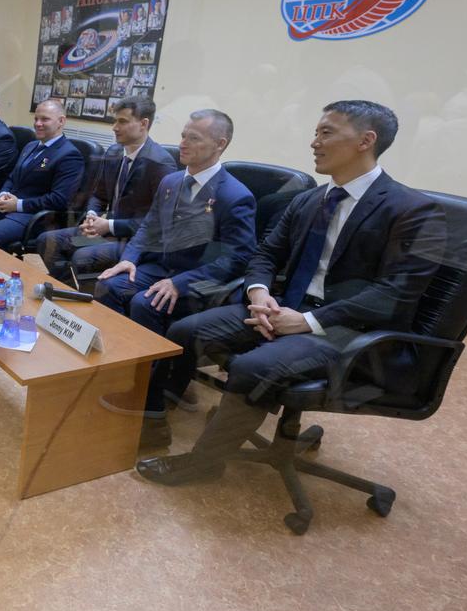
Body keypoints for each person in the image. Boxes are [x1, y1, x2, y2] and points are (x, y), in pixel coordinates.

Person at [136, 101, 445, 487]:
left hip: (349, 329)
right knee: (184, 330)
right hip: (284, 307)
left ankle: (205, 463)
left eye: (326, 133)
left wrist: (308, 321)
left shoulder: (413, 210)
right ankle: (156, 419)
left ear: (366, 141)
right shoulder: (309, 199)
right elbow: (266, 254)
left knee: (252, 367)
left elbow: (394, 294)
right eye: (316, 132)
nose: (314, 142)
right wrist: (259, 294)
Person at [93, 109, 256, 449]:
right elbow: (149, 227)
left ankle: (152, 408)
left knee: (146, 303)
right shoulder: (171, 182)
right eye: (183, 135)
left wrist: (180, 284)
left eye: (194, 138)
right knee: (108, 286)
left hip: (200, 281)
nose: (182, 143)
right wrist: (129, 259)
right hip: (160, 268)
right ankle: (124, 376)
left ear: (220, 144)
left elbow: (237, 258)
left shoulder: (235, 195)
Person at [37, 97, 176, 282]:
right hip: (110, 231)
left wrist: (108, 225)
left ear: (143, 124)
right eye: (115, 121)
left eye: (123, 121)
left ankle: (82, 290)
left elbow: (157, 222)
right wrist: (91, 215)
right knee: (47, 241)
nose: (114, 127)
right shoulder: (114, 152)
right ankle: (68, 288)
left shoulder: (160, 163)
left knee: (83, 257)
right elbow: (98, 195)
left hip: (136, 241)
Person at [0, 98, 84, 249]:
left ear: (61, 121)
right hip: (5, 205)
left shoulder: (69, 155)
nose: (38, 124)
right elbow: (12, 176)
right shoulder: (30, 146)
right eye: (36, 119)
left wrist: (18, 205)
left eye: (45, 119)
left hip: (32, 215)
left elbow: (59, 199)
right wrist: (4, 193)